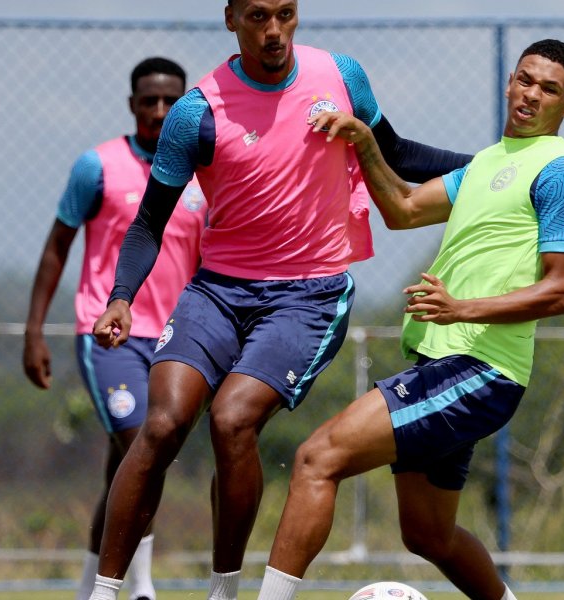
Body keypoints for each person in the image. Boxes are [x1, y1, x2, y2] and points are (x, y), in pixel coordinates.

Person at [86, 2, 472, 600]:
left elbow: (396, 154)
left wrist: (493, 168)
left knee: (231, 420)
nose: (274, 31)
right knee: (161, 425)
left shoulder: (341, 77)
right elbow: (148, 223)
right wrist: (120, 298)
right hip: (216, 291)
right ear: (231, 19)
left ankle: (224, 589)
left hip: (308, 296)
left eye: (286, 14)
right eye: (259, 16)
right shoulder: (198, 112)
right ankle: (105, 593)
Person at [255, 38, 564, 600]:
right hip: (447, 361)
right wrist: (365, 142)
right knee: (428, 534)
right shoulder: (488, 163)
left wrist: (464, 309)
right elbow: (405, 209)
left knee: (318, 457)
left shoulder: (561, 173)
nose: (533, 95)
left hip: (480, 369)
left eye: (550, 89)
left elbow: (561, 290)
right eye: (526, 80)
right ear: (510, 81)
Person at [22, 56, 206, 600]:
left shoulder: (203, 173)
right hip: (108, 335)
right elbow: (58, 246)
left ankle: (88, 589)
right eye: (148, 100)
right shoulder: (96, 167)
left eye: (171, 100)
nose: (159, 110)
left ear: (185, 105)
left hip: (178, 337)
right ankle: (143, 588)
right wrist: (33, 330)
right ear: (132, 104)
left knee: (122, 469)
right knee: (142, 446)